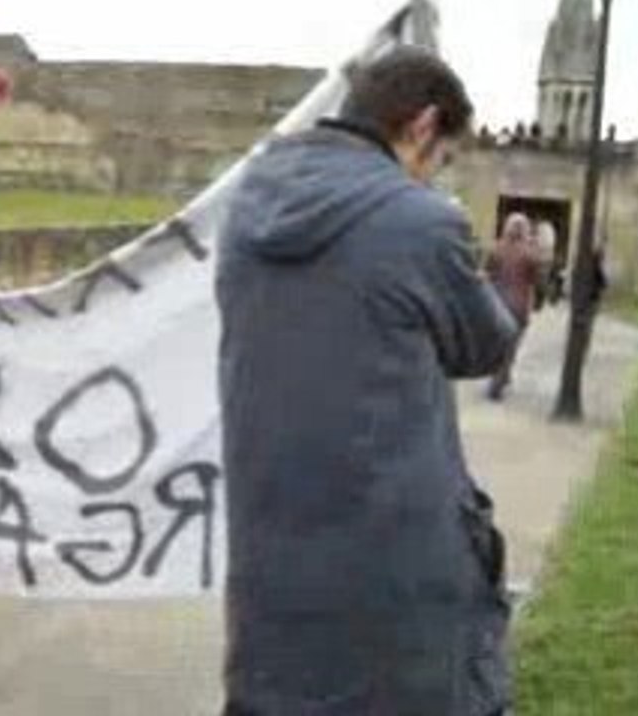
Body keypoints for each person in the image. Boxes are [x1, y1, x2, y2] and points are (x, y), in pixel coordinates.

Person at [217, 47, 518, 716]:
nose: (433, 176)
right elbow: (487, 343)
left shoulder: (246, 202)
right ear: (422, 127)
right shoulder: (421, 221)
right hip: (394, 580)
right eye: (440, 158)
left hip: (271, 559)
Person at [485, 213, 543, 401]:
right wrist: (537, 303)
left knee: (498, 342)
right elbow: (537, 281)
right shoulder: (530, 254)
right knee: (511, 344)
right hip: (519, 304)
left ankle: (500, 375)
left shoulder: (496, 249)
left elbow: (488, 275)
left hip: (497, 302)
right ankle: (498, 382)